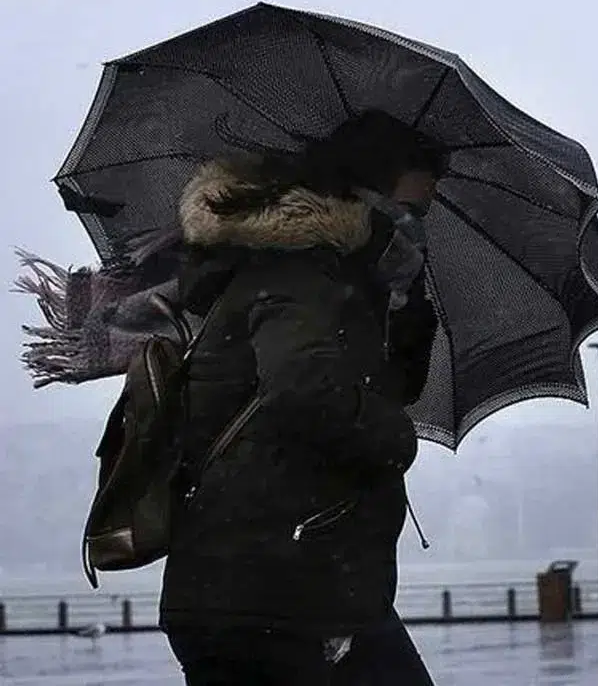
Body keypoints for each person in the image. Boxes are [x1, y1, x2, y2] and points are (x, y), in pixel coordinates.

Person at [160, 111, 445, 685]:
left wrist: (407, 306)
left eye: (422, 215)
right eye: (406, 211)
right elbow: (303, 391)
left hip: (274, 587)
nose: (413, 228)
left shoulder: (333, 282)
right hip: (282, 594)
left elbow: (384, 385)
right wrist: (397, 439)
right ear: (360, 199)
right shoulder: (301, 274)